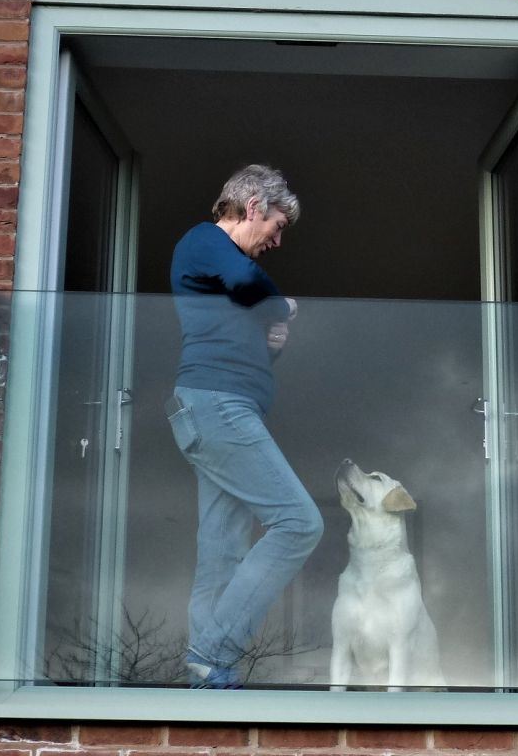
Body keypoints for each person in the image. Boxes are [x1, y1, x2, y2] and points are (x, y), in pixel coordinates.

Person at [166, 165, 323, 688]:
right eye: (276, 226)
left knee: (222, 553)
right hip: (217, 407)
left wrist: (271, 346)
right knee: (300, 523)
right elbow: (249, 283)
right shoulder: (206, 241)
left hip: (222, 407)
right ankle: (213, 653)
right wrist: (285, 308)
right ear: (252, 207)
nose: (277, 240)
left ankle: (207, 681)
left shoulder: (224, 265)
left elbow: (243, 340)